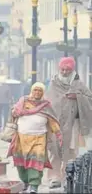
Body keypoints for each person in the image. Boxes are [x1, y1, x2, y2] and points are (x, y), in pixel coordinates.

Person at [45, 57, 92, 189]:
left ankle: (67, 177)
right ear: (59, 69)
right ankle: (54, 177)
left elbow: (90, 100)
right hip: (55, 124)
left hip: (72, 125)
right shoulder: (53, 83)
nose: (65, 72)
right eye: (63, 69)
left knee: (70, 151)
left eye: (68, 70)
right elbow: (47, 101)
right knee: (54, 150)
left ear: (72, 70)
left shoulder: (79, 84)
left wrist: (78, 96)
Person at [7, 82, 62, 193]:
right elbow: (14, 113)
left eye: (40, 90)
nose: (37, 93)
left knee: (36, 162)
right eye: (35, 90)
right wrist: (15, 112)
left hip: (39, 139)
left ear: (43, 92)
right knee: (21, 163)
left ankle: (34, 185)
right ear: (32, 91)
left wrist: (58, 134)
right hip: (21, 138)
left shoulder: (46, 106)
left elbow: (52, 121)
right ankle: (25, 181)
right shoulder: (23, 101)